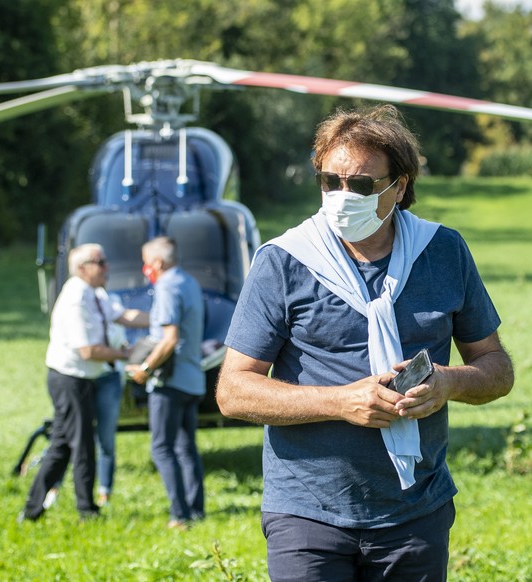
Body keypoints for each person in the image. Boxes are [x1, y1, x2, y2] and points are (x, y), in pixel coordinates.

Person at [216, 105, 514, 580]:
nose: (341, 196)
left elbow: (495, 366)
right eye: (330, 182)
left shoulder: (443, 251)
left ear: (399, 187)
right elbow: (233, 391)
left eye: (360, 185)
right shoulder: (284, 260)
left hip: (415, 510)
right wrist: (340, 402)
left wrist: (449, 383)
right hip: (307, 512)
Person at [19, 243, 148, 521]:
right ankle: (86, 509)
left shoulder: (95, 293)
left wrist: (163, 321)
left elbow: (122, 316)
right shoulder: (75, 299)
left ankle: (32, 510)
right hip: (69, 381)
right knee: (82, 446)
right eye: (99, 263)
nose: (106, 267)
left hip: (81, 380)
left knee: (63, 445)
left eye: (105, 261)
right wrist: (126, 354)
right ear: (82, 268)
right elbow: (88, 351)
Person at [126, 236, 205, 530]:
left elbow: (169, 338)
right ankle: (196, 509)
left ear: (157, 263)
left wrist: (145, 367)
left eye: (146, 262)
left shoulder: (167, 286)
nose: (146, 268)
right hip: (192, 378)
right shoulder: (189, 282)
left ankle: (179, 514)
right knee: (186, 448)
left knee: (161, 448)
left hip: (168, 382)